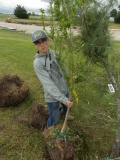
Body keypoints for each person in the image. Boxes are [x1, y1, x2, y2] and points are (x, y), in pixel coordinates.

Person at [32, 29, 74, 129]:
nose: (42, 45)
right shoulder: (38, 63)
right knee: (54, 116)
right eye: (38, 42)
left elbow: (63, 69)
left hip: (64, 89)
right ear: (35, 45)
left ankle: (64, 114)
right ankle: (49, 130)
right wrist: (63, 99)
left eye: (43, 41)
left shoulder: (55, 54)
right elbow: (48, 85)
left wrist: (69, 81)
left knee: (66, 107)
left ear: (48, 41)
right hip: (52, 95)